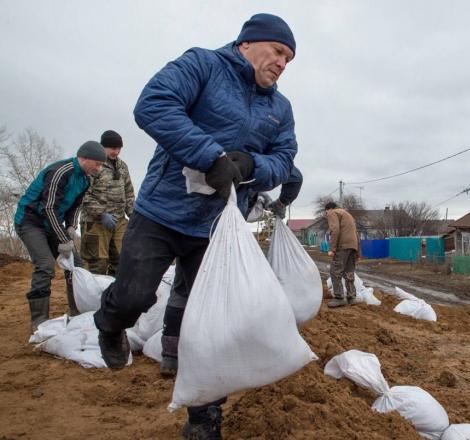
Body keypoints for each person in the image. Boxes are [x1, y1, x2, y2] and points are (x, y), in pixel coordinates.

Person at [92, 13, 298, 439]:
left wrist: (250, 164)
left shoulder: (280, 108)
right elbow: (153, 104)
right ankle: (110, 324)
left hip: (218, 227)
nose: (282, 63)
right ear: (248, 43)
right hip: (163, 211)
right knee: (133, 295)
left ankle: (204, 419)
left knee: (214, 325)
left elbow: (285, 160)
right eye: (278, 51)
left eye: (289, 59)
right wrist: (211, 156)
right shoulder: (203, 65)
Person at [161, 165, 303, 378]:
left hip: (191, 228)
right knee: (225, 291)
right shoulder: (255, 159)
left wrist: (257, 196)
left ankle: (171, 356)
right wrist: (280, 202)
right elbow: (295, 177)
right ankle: (218, 351)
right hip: (222, 236)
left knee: (184, 289)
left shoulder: (201, 152)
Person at [15, 141, 106, 330]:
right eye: (97, 163)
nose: (98, 168)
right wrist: (63, 239)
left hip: (53, 223)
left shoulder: (85, 180)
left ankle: (77, 311)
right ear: (85, 158)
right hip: (31, 221)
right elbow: (48, 207)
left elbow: (76, 206)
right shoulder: (61, 172)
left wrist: (71, 226)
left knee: (77, 265)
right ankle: (39, 320)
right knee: (45, 265)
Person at [80, 130, 134, 275]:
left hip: (119, 221)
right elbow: (83, 195)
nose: (116, 152)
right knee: (97, 265)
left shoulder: (122, 166)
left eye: (118, 148)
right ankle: (94, 297)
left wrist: (133, 216)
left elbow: (129, 193)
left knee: (123, 261)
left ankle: (115, 296)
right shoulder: (94, 165)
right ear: (103, 147)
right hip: (95, 222)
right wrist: (102, 213)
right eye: (112, 148)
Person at [324, 201, 361, 308]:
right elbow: (356, 234)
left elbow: (335, 230)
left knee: (335, 271)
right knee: (349, 272)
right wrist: (358, 252)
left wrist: (332, 249)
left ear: (328, 209)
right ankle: (351, 297)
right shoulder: (348, 215)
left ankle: (339, 298)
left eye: (326, 213)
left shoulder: (332, 213)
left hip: (343, 246)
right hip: (353, 246)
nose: (327, 215)